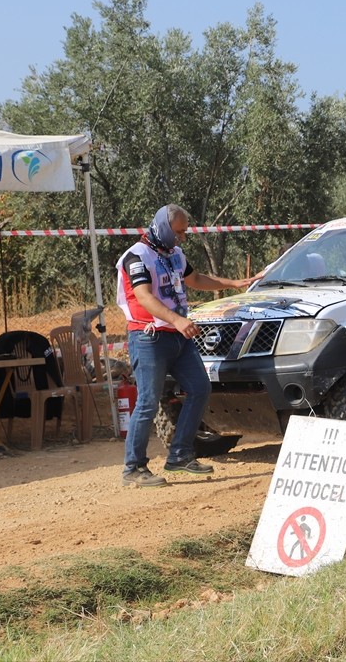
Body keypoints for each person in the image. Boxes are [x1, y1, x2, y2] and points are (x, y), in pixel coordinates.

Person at [116, 204, 260, 487]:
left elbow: (195, 279)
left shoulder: (174, 254)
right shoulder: (137, 256)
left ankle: (180, 455)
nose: (182, 237)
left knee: (200, 388)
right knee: (148, 401)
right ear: (163, 227)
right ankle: (133, 468)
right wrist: (177, 320)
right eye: (178, 232)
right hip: (149, 337)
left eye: (184, 232)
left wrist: (234, 284)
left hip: (179, 335)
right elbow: (144, 296)